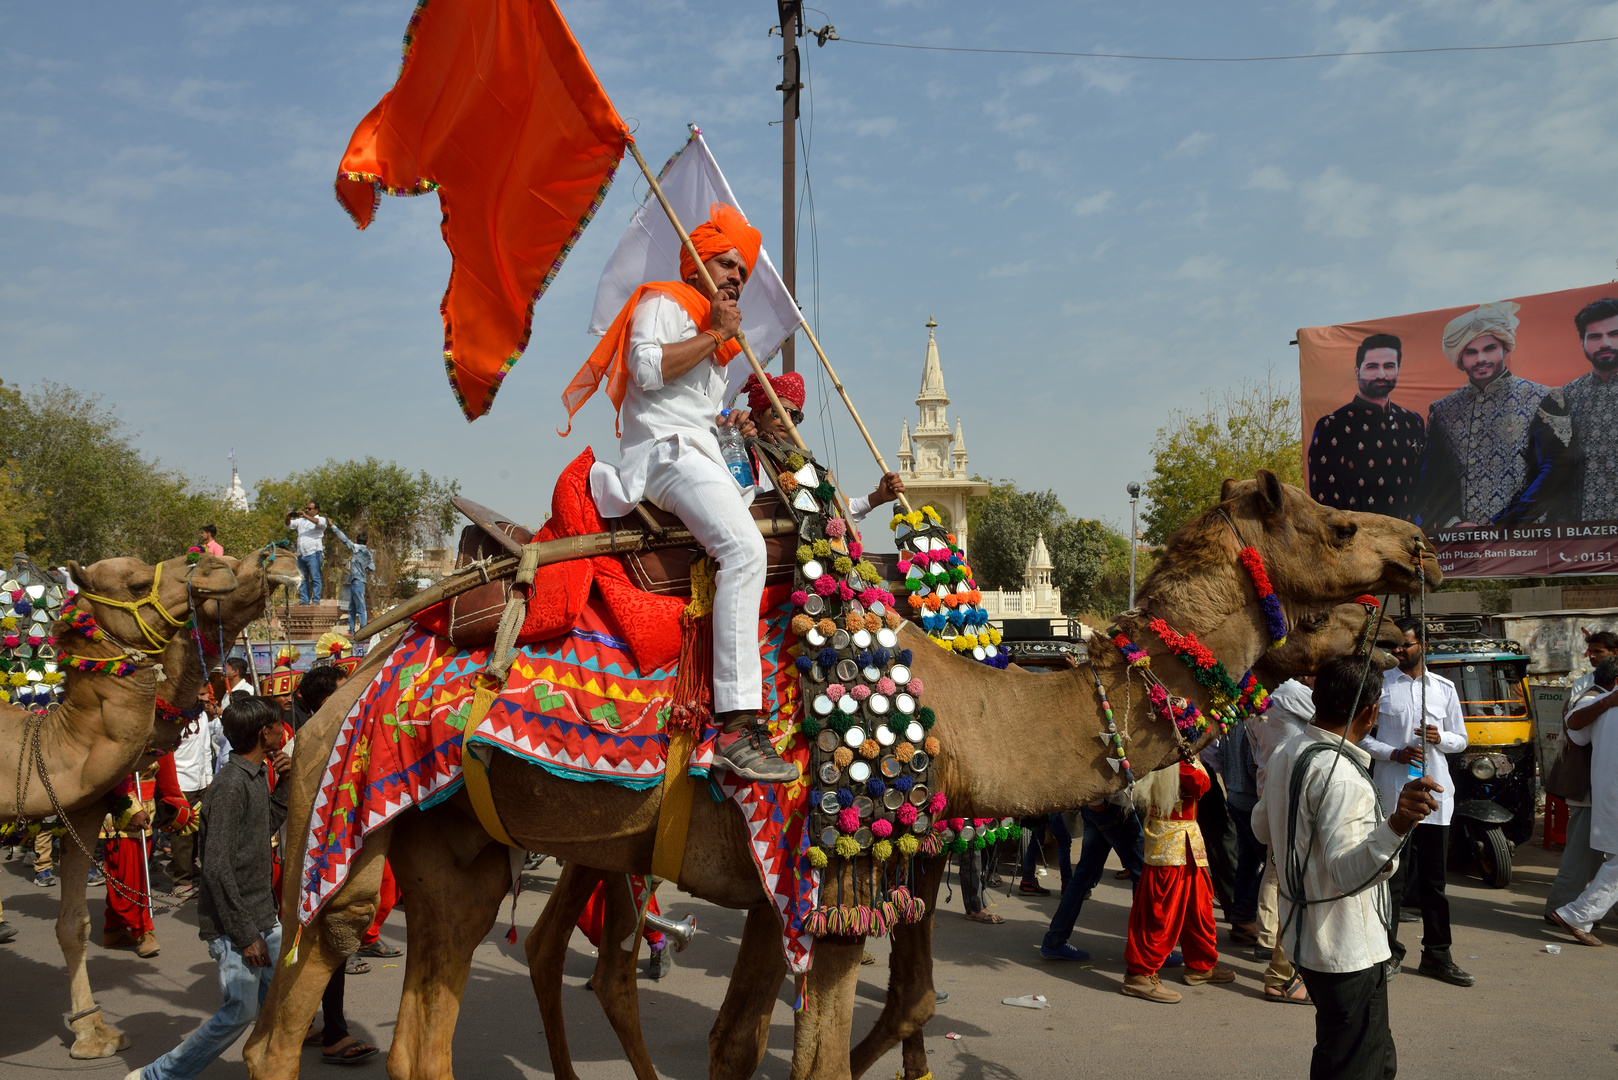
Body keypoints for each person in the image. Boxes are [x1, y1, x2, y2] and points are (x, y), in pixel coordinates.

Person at [571, 203, 794, 784]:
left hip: (702, 451)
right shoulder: (664, 302)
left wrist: (729, 424)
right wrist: (717, 331)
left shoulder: (712, 333)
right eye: (725, 264)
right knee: (744, 551)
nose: (736, 277)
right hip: (665, 457)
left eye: (740, 271)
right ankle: (739, 726)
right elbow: (646, 372)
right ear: (695, 264)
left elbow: (694, 408)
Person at [1254, 655, 1442, 1080]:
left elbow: (1261, 826)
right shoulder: (1342, 776)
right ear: (1371, 712)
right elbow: (1345, 873)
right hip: (1346, 949)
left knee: (1347, 1052)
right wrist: (1396, 824)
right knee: (1359, 1064)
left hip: (1306, 938)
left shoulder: (1287, 750)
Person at [125, 698, 292, 1080]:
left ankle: (272, 1067)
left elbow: (264, 825)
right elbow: (215, 868)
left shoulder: (253, 775)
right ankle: (159, 1075)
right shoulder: (231, 785)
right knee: (240, 1012)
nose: (283, 730)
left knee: (277, 1004)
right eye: (277, 725)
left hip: (261, 914)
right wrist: (246, 934)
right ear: (263, 733)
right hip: (239, 925)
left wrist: (286, 781)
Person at [1360, 618, 1473, 986]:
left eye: (1405, 645)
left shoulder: (1443, 687)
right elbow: (1360, 738)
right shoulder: (1378, 686)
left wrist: (1442, 738)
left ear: (1422, 644)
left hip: (1436, 797)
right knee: (1390, 878)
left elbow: (1462, 739)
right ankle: (1387, 952)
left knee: (1434, 883)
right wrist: (1393, 753)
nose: (1398, 651)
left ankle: (1438, 955)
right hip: (1394, 796)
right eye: (1394, 646)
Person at [1415, 301, 1572, 527]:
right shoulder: (1443, 409)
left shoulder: (1542, 397)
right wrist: (1453, 523)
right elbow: (1432, 477)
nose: (1481, 359)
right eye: (1470, 352)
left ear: (1505, 349)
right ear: (1460, 358)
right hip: (1462, 541)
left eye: (1489, 348)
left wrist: (1503, 525)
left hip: (1526, 538)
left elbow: (1555, 471)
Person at [1122, 759, 1233, 1003]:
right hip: (1169, 841)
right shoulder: (1173, 753)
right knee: (1160, 912)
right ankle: (1139, 974)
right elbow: (1200, 784)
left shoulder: (1182, 752)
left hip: (1188, 837)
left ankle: (1200, 965)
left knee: (1200, 907)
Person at [742, 371, 905, 520]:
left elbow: (836, 508)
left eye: (795, 415)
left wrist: (879, 497)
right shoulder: (738, 449)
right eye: (779, 411)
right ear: (757, 414)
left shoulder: (794, 463)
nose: (787, 419)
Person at [1307, 333, 1426, 518]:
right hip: (1361, 542)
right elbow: (1325, 507)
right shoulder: (1333, 426)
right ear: (1357, 371)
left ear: (1398, 370)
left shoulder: (1412, 422)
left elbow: (1424, 490)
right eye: (1372, 367)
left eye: (1389, 366)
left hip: (1408, 541)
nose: (1381, 374)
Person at [1248, 676, 1315, 1003]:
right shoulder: (1290, 692)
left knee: (1278, 872)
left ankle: (1269, 941)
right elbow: (1335, 720)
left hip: (1271, 791)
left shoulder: (1257, 700)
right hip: (1290, 796)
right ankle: (1280, 967)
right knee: (1289, 878)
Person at [1549, 657, 1618, 946]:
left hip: (1604, 793)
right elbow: (1574, 730)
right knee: (1585, 859)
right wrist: (1605, 703)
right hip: (1600, 794)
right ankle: (1575, 912)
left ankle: (1577, 913)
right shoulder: (1600, 703)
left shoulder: (1603, 705)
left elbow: (1575, 732)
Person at [102, 756, 191, 958]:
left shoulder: (160, 739)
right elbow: (112, 773)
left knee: (136, 874)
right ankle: (143, 930)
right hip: (121, 810)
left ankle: (113, 929)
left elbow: (169, 783)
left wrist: (178, 810)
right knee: (129, 877)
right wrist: (133, 808)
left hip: (147, 815)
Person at [1039, 791, 1145, 961]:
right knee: (1142, 874)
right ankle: (1147, 949)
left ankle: (1055, 940)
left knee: (1084, 876)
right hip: (1111, 806)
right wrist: (1096, 801)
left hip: (1103, 805)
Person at [1563, 298, 1618, 521]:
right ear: (1582, 342)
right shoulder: (1566, 396)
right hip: (1580, 538)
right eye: (1595, 336)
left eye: (1614, 334)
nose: (1604, 343)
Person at [165, 712, 222, 900]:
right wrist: (172, 787)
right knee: (183, 835)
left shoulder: (203, 715)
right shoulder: (174, 717)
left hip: (200, 783)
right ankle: (181, 881)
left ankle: (192, 870)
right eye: (203, 693)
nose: (207, 697)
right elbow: (169, 755)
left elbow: (205, 750)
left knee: (200, 831)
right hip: (181, 783)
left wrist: (208, 780)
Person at [332, 525, 376, 635]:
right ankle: (351, 629)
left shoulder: (355, 548)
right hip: (359, 580)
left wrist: (333, 527)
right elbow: (372, 568)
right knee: (352, 606)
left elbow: (344, 539)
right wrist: (359, 563)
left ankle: (363, 629)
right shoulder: (368, 554)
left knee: (360, 606)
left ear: (356, 541)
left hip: (356, 580)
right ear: (367, 542)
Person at [286, 500, 329, 605]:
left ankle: (316, 600)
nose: (306, 510)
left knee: (315, 577)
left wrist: (305, 515)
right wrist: (288, 517)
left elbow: (320, 523)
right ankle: (304, 600)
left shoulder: (320, 519)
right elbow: (289, 525)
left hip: (313, 553)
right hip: (301, 554)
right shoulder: (301, 521)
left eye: (309, 509)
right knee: (302, 579)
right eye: (306, 508)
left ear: (316, 510)